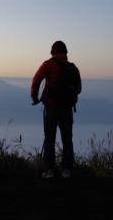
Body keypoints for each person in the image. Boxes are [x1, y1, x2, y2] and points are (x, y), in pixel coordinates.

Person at [31, 41, 82, 178]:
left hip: (51, 107)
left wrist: (35, 98)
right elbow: (78, 89)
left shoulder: (48, 64)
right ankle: (67, 170)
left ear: (52, 52)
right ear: (66, 52)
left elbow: (36, 81)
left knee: (49, 138)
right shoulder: (72, 67)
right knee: (67, 139)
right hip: (67, 109)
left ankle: (50, 170)